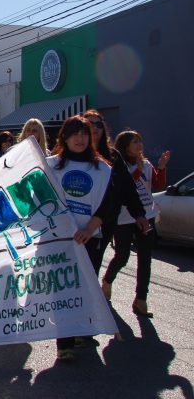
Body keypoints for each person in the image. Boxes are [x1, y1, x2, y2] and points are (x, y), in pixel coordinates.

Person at [45, 115, 116, 362]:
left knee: (85, 286)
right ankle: (64, 343)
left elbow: (109, 205)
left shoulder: (102, 169)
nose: (80, 138)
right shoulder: (50, 166)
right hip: (59, 240)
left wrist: (89, 229)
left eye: (84, 133)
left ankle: (79, 330)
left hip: (88, 239)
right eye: (74, 133)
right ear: (64, 137)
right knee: (62, 289)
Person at [101, 130, 170, 318]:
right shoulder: (118, 165)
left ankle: (141, 300)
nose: (139, 145)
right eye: (134, 142)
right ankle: (107, 280)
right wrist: (138, 169)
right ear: (125, 146)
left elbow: (157, 185)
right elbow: (126, 188)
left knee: (145, 258)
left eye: (140, 140)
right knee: (122, 256)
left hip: (146, 215)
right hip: (124, 217)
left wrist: (161, 168)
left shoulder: (146, 164)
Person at [83, 109, 149, 267]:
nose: (95, 127)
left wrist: (139, 214)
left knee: (93, 266)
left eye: (99, 124)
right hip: (77, 223)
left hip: (105, 224)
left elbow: (128, 188)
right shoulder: (70, 156)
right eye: (89, 124)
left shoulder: (113, 156)